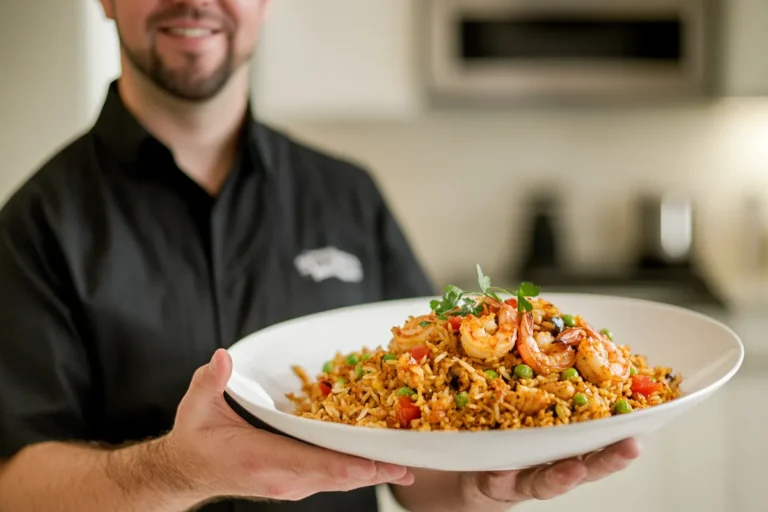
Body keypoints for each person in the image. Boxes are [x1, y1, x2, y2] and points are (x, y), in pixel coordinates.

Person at [0, 1, 641, 510]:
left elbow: (418, 467)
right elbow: (14, 486)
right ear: (105, 1)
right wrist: (174, 470)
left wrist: (477, 487)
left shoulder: (348, 195)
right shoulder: (34, 224)